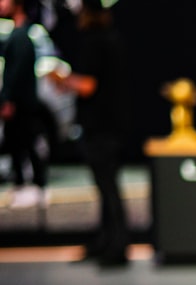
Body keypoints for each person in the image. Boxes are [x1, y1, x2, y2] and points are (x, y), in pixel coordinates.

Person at [47, 0, 130, 267]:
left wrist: (63, 80)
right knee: (106, 187)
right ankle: (108, 241)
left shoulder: (96, 42)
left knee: (108, 187)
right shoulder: (110, 39)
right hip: (109, 123)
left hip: (100, 126)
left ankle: (117, 245)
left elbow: (88, 86)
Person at [0, 0, 48, 209]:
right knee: (20, 143)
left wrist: (8, 99)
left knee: (24, 143)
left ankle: (35, 186)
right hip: (23, 100)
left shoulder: (22, 35)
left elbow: (15, 72)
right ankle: (29, 185)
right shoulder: (19, 32)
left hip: (21, 102)